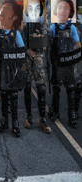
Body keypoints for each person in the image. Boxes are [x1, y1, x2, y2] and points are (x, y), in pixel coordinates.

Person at [48, 0, 81, 128]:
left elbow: (78, 45)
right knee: (56, 89)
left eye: (66, 9)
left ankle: (72, 115)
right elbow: (49, 44)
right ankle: (55, 111)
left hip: (68, 65)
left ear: (70, 13)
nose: (62, 11)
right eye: (60, 8)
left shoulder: (72, 28)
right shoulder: (53, 27)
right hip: (57, 65)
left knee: (71, 89)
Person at [0, 0, 24, 137]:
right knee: (4, 95)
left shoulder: (15, 34)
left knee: (14, 96)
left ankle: (15, 123)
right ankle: (5, 121)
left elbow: (21, 49)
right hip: (2, 70)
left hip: (13, 70)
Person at [22, 6, 51, 133]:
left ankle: (42, 118)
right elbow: (17, 32)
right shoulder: (22, 10)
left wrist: (40, 35)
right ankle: (28, 116)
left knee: (41, 86)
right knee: (27, 86)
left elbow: (46, 31)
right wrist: (25, 49)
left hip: (38, 53)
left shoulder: (41, 12)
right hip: (25, 54)